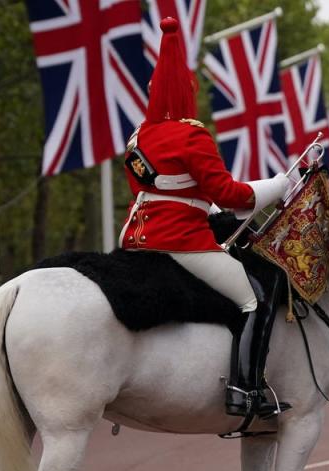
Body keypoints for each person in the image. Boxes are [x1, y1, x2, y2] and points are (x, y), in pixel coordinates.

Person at [120, 18, 289, 420]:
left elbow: (168, 188)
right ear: (188, 92)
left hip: (136, 236)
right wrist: (279, 184)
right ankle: (243, 389)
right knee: (255, 299)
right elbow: (231, 195)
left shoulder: (138, 136)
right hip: (181, 241)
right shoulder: (191, 135)